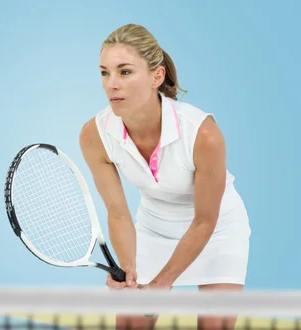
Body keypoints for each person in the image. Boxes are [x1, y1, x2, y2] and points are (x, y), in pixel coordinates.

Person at [78, 24, 251, 330]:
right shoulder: (95, 134)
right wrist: (129, 270)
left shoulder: (203, 134)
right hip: (154, 229)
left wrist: (162, 283)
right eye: (104, 73)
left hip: (217, 230)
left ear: (156, 76)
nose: (111, 84)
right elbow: (118, 213)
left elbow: (204, 221)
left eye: (125, 72)